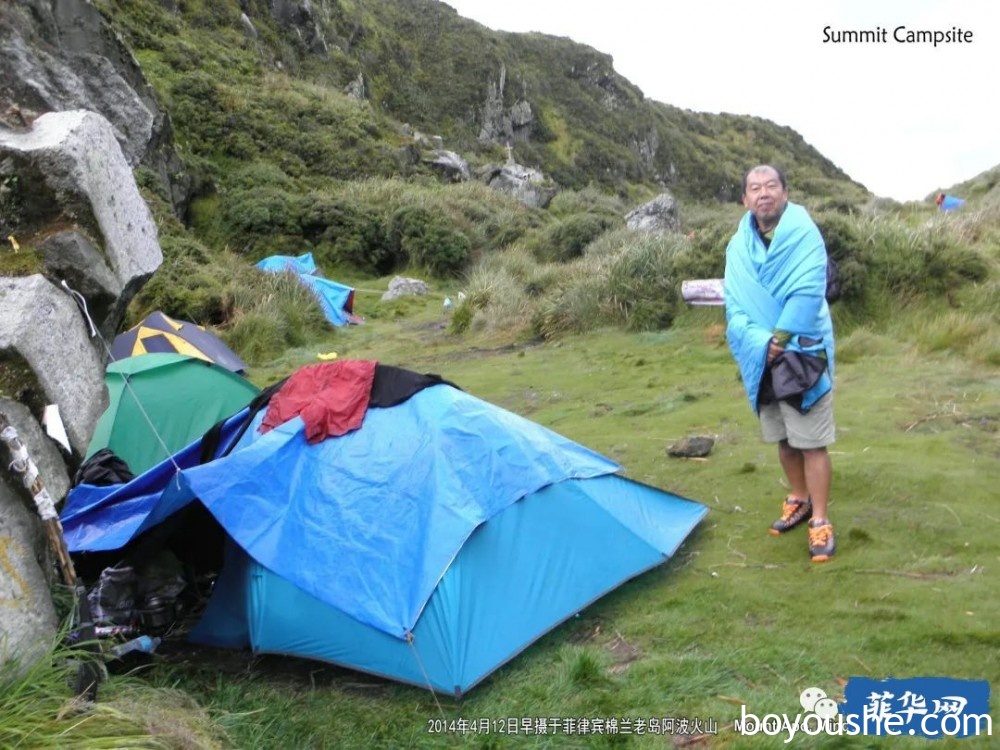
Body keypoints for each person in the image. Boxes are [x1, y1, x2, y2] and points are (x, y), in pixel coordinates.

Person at [723, 165, 836, 562]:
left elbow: (807, 292)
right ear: (745, 199)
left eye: (771, 186)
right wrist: (761, 343)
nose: (763, 193)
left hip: (803, 352)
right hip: (763, 358)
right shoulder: (737, 247)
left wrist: (781, 339)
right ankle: (799, 499)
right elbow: (735, 304)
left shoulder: (804, 234)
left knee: (811, 442)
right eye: (755, 188)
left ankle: (820, 520)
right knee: (783, 438)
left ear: (785, 193)